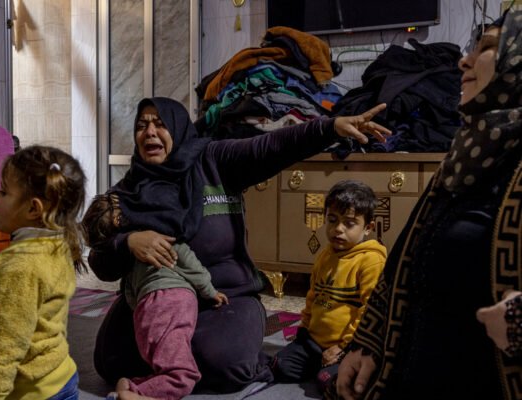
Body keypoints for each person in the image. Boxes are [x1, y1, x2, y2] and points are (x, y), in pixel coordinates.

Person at [86, 96, 391, 393]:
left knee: (229, 365)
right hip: (156, 299)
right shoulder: (128, 190)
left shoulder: (214, 160)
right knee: (110, 362)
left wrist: (329, 128)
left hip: (224, 297)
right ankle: (179, 359)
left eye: (160, 123)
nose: (150, 132)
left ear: (178, 128)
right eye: (141, 125)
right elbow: (100, 262)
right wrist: (128, 242)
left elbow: (271, 146)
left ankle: (180, 361)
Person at [335, 9, 522, 400]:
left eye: (488, 48)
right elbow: (407, 257)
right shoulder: (464, 157)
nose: (464, 61)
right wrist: (369, 340)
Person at [82, 193, 228, 400]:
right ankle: (136, 394)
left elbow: (130, 291)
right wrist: (210, 291)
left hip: (145, 308)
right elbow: (188, 261)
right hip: (171, 304)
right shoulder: (159, 232)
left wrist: (141, 310)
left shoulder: (131, 256)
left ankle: (131, 385)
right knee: (182, 375)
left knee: (160, 363)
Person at [0, 145, 86, 399]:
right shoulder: (57, 245)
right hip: (60, 376)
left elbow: (5, 344)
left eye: (4, 192)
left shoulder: (19, 267)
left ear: (33, 209)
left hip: (32, 392)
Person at [271, 180, 386, 385]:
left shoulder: (371, 260)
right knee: (279, 365)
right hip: (313, 342)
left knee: (329, 381)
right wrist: (304, 328)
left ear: (368, 227)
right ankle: (321, 365)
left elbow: (370, 311)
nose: (338, 229)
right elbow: (313, 296)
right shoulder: (325, 255)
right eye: (332, 220)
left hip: (349, 346)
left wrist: (344, 346)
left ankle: (339, 370)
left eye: (349, 223)